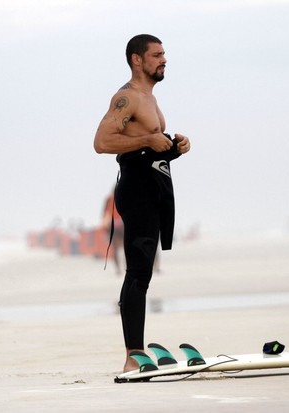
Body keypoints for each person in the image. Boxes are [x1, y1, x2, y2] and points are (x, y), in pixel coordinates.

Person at [94, 34, 191, 373]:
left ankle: (135, 351)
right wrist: (149, 138)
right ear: (137, 60)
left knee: (144, 272)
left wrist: (174, 147)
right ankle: (132, 355)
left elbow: (145, 149)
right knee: (137, 272)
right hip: (136, 188)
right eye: (157, 55)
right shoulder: (127, 97)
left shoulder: (150, 98)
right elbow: (102, 141)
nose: (164, 60)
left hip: (153, 184)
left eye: (164, 54)